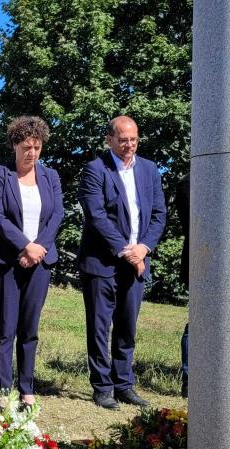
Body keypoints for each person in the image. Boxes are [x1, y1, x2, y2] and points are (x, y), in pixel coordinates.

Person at [77, 116, 166, 409]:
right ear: (109, 140)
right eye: (123, 140)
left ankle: (124, 384)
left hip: (137, 261)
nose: (129, 146)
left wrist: (143, 249)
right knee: (100, 328)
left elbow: (158, 214)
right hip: (101, 264)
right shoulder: (95, 170)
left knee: (127, 327)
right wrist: (126, 251)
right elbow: (96, 216)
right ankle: (102, 388)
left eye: (134, 140)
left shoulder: (150, 169)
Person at [0, 116, 63, 406]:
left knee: (30, 329)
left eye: (37, 147)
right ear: (15, 144)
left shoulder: (50, 176)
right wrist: (25, 246)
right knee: (6, 329)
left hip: (40, 262)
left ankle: (27, 389)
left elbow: (57, 216)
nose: (32, 153)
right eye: (27, 146)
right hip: (5, 261)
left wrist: (38, 248)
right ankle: (4, 392)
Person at [174, 174, 190, 399]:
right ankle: (190, 380)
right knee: (196, 323)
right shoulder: (189, 183)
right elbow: (193, 224)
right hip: (201, 262)